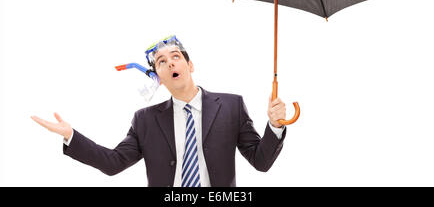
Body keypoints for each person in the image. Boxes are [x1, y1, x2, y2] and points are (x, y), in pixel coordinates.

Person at [31, 35, 288, 187]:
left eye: (175, 56)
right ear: (159, 77)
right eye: (161, 62)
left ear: (190, 64)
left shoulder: (231, 106)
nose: (169, 63)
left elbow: (261, 161)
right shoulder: (145, 120)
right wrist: (70, 135)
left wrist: (275, 125)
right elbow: (113, 163)